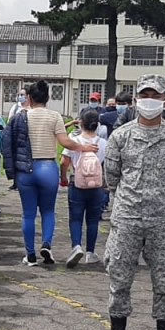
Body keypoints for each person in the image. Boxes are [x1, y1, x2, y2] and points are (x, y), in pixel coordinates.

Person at [95, 74, 165, 330]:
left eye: (156, 96)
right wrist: (131, 199)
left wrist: (163, 197)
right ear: (137, 99)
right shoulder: (121, 136)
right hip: (127, 217)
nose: (150, 101)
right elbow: (112, 177)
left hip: (162, 219)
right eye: (145, 95)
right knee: (119, 277)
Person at [1, 80, 97, 266]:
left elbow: (8, 143)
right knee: (47, 211)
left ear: (29, 98)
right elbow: (65, 142)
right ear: (48, 97)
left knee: (28, 213)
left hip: (25, 169)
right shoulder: (55, 116)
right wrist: (84, 147)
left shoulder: (19, 117)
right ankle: (46, 244)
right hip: (47, 168)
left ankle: (30, 254)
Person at [59, 108, 108, 267]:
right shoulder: (103, 143)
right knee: (93, 220)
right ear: (97, 124)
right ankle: (90, 253)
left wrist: (63, 177)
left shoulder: (74, 141)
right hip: (97, 186)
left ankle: (76, 246)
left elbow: (63, 162)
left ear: (80, 123)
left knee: (75, 218)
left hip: (77, 184)